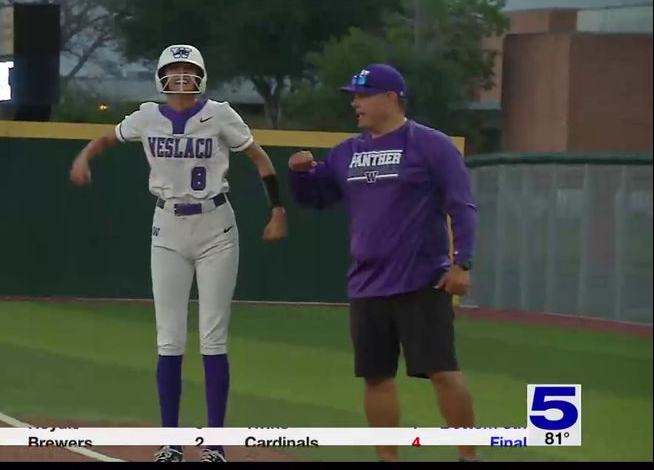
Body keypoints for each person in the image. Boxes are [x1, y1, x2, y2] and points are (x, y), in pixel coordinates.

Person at [70, 44, 287, 462]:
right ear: (161, 75)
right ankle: (169, 440)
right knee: (168, 338)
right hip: (168, 224)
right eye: (175, 69)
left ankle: (216, 443)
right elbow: (107, 137)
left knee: (212, 336)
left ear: (202, 75)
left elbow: (260, 159)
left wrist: (277, 209)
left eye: (189, 69)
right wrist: (83, 156)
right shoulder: (147, 116)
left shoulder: (220, 113)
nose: (183, 76)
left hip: (215, 224)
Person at [287, 63, 478, 462]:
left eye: (363, 95)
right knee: (376, 377)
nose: (355, 103)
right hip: (367, 283)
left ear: (391, 98)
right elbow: (316, 199)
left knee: (442, 371)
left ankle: (467, 456)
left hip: (422, 280)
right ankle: (388, 458)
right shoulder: (346, 152)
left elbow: (461, 205)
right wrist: (301, 175)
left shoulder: (430, 144)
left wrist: (463, 262)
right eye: (354, 96)